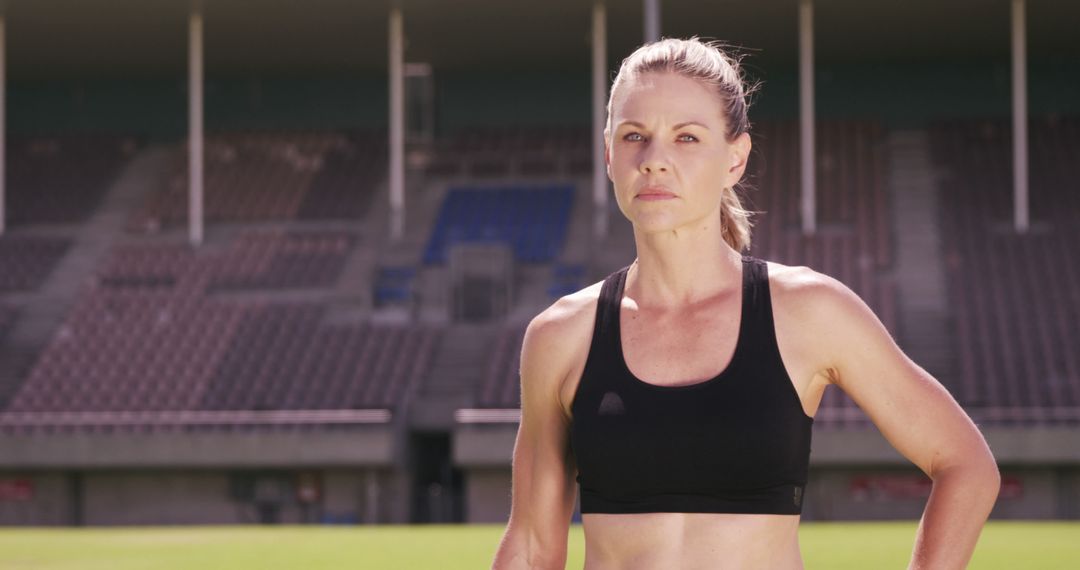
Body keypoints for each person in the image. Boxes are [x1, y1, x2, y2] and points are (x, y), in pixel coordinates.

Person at [492, 37, 1000, 570]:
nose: (655, 161)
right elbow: (530, 547)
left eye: (686, 137)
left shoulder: (808, 310)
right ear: (609, 155)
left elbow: (964, 465)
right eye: (634, 136)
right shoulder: (561, 336)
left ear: (735, 158)